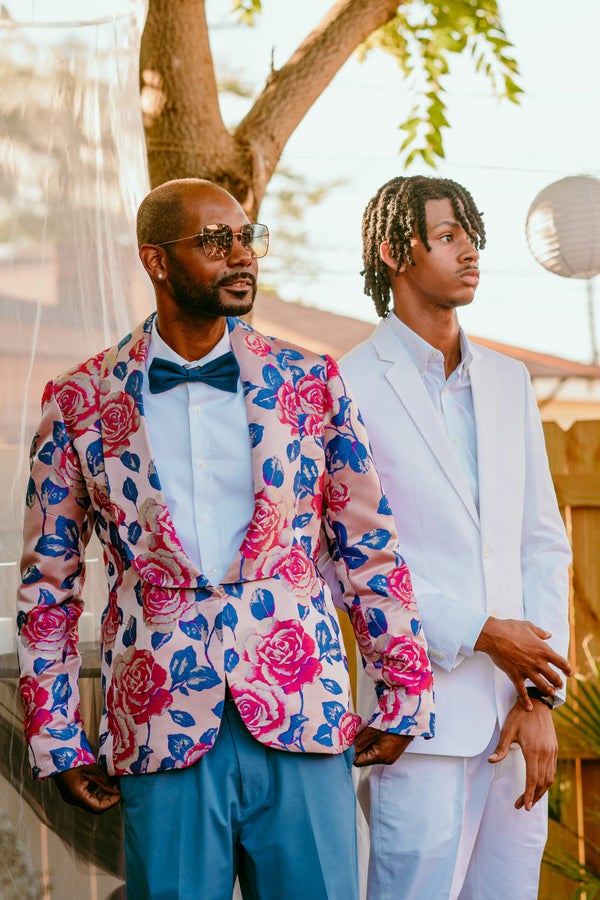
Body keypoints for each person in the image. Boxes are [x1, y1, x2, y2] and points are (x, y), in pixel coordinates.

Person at [15, 178, 434, 900]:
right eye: (216, 241)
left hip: (301, 705)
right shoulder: (80, 398)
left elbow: (367, 544)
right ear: (156, 259)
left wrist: (404, 689)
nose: (242, 256)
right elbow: (47, 585)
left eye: (248, 238)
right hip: (160, 717)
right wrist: (56, 734)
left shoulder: (311, 382)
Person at [337, 175, 572, 899]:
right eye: (446, 237)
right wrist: (479, 630)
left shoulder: (508, 379)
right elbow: (346, 558)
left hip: (518, 721)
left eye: (472, 235)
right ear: (392, 252)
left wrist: (540, 698)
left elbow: (541, 543)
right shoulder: (344, 385)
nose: (469, 252)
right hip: (418, 723)